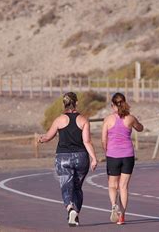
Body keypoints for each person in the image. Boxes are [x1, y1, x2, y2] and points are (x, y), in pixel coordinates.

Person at [38, 92, 98, 227]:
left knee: (66, 185)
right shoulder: (83, 120)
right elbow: (87, 141)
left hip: (63, 157)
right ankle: (75, 213)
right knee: (77, 188)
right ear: (76, 103)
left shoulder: (59, 120)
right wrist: (94, 158)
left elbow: (48, 137)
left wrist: (41, 139)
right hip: (81, 157)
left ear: (63, 104)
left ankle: (70, 208)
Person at [101, 92, 144, 225]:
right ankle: (122, 216)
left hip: (113, 155)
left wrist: (106, 151)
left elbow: (103, 139)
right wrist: (136, 122)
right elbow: (140, 128)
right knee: (123, 186)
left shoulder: (108, 120)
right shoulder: (130, 118)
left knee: (112, 185)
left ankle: (114, 205)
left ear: (113, 105)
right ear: (124, 103)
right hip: (128, 156)